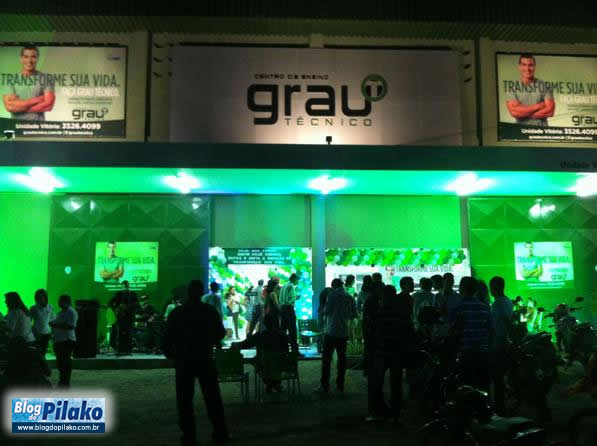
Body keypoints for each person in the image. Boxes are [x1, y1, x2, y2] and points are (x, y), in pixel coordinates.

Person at [163, 279, 230, 445]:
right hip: (204, 358)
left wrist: (173, 354)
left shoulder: (177, 313)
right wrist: (209, 342)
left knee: (184, 401)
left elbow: (167, 338)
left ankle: (189, 436)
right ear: (201, 293)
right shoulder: (209, 311)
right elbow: (220, 333)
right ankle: (219, 432)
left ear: (188, 293)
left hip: (184, 360)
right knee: (213, 398)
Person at [368, 284, 417, 423]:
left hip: (381, 352)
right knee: (396, 384)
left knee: (377, 383)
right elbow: (409, 332)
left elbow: (372, 334)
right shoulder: (402, 313)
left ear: (383, 297)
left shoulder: (379, 313)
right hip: (397, 352)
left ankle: (379, 411)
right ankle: (395, 414)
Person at [451, 277, 493, 392]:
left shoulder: (458, 308)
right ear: (475, 290)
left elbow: (453, 331)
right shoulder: (485, 308)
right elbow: (490, 330)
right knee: (483, 387)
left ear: (461, 289)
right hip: (483, 353)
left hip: (465, 353)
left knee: (466, 386)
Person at [316, 278, 357, 393]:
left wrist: (322, 307)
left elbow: (326, 311)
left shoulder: (331, 296)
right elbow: (354, 314)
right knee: (342, 359)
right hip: (343, 332)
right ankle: (340, 385)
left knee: (326, 360)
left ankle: (325, 385)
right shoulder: (349, 297)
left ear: (333, 286)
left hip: (331, 332)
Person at [231, 313, 289, 392]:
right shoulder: (282, 336)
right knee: (274, 360)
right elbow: (286, 351)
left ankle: (268, 382)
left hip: (265, 364)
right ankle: (275, 383)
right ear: (275, 323)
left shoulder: (260, 335)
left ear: (264, 323)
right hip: (280, 364)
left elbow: (245, 344)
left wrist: (235, 344)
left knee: (258, 360)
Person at [2, 46, 56, 121]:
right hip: (15, 126)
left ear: (37, 58)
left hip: (38, 126)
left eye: (33, 57)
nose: (29, 61)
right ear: (21, 59)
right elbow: (10, 107)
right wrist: (38, 99)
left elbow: (48, 106)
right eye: (26, 57)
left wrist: (19, 106)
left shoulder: (46, 78)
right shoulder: (10, 80)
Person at [505, 54, 555, 127]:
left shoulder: (545, 86)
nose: (527, 69)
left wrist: (523, 113)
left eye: (530, 65)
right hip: (519, 131)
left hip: (541, 131)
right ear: (519, 66)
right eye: (524, 65)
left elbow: (550, 111)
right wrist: (539, 106)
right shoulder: (512, 88)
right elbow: (515, 112)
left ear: (534, 66)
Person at [489, 276, 513, 415]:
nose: (490, 290)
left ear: (496, 287)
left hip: (498, 344)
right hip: (503, 342)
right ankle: (500, 406)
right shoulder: (507, 301)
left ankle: (499, 408)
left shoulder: (498, 303)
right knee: (499, 377)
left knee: (497, 378)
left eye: (491, 287)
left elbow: (504, 321)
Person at [49, 294, 78, 387]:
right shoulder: (60, 312)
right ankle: (62, 381)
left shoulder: (71, 312)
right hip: (59, 341)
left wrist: (55, 325)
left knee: (65, 363)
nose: (59, 303)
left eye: (61, 301)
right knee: (61, 363)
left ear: (67, 302)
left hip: (66, 341)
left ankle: (65, 382)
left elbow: (71, 326)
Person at [108, 280, 138, 355]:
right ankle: (120, 349)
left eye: (127, 286)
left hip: (129, 316)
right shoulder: (119, 293)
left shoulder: (133, 294)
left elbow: (136, 304)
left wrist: (128, 308)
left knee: (129, 333)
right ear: (122, 286)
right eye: (124, 286)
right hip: (121, 316)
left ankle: (128, 350)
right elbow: (110, 302)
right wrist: (116, 309)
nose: (125, 287)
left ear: (129, 286)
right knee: (120, 333)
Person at [278, 273, 301, 356]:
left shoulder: (284, 285)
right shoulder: (291, 286)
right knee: (292, 331)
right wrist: (295, 298)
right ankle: (295, 351)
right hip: (289, 309)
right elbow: (289, 300)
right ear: (294, 279)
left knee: (283, 330)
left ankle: (283, 350)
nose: (298, 282)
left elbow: (282, 298)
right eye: (297, 280)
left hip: (283, 309)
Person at [30, 288, 55, 355]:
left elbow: (53, 320)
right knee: (36, 352)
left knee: (43, 352)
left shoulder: (50, 307)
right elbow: (29, 321)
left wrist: (52, 332)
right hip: (36, 333)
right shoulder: (33, 308)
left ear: (45, 297)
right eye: (37, 297)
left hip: (47, 333)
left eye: (41, 297)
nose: (39, 299)